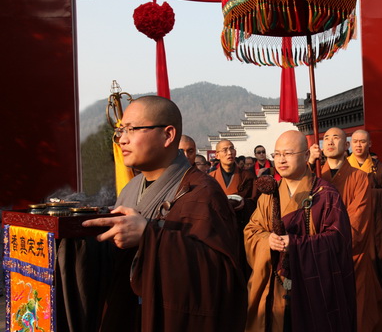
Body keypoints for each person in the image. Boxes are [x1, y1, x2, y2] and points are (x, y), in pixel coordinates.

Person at [83, 96, 247, 332]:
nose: (122, 139)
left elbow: (219, 276)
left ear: (168, 135)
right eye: (120, 131)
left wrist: (150, 237)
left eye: (132, 129)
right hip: (129, 314)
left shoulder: (203, 192)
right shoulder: (131, 187)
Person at [244, 130, 356, 332]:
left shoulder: (325, 195)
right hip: (275, 286)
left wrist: (296, 244)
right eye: (277, 154)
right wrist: (266, 240)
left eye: (287, 153)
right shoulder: (269, 195)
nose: (281, 159)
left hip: (312, 288)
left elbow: (338, 240)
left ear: (306, 156)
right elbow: (251, 230)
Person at [309, 127, 382, 331]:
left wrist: (331, 241)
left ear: (346, 145)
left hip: (349, 253)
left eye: (336, 138)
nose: (330, 142)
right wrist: (309, 164)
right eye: (326, 139)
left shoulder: (359, 177)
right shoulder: (315, 176)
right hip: (319, 254)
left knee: (357, 310)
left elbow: (358, 219)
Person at [347, 129, 382, 328]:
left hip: (377, 228)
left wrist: (367, 195)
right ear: (350, 144)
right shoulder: (345, 167)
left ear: (370, 144)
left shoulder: (378, 167)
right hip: (354, 227)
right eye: (355, 141)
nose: (359, 145)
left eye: (363, 142)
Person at [210, 139, 259, 276]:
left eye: (231, 148)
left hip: (241, 226)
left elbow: (256, 200)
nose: (229, 152)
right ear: (217, 155)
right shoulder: (210, 178)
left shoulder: (247, 176)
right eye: (224, 150)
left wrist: (246, 203)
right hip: (220, 229)